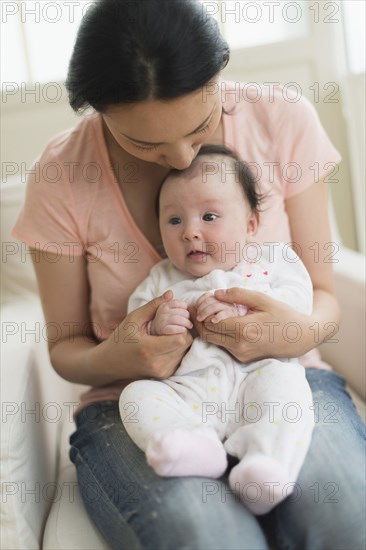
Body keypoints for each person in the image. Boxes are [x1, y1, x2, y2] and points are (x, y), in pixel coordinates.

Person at [12, 0, 365, 548]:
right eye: (144, 143)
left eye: (200, 126)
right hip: (144, 400)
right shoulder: (61, 177)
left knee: (343, 514)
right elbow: (66, 348)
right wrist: (122, 356)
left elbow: (322, 290)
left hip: (280, 376)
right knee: (207, 534)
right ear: (98, 111)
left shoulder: (281, 119)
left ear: (221, 69)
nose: (179, 159)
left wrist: (293, 333)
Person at [120, 144, 315, 516]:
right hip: (187, 392)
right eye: (174, 220)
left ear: (251, 224)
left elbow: (298, 307)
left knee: (289, 389)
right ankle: (192, 445)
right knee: (136, 394)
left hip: (258, 378)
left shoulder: (273, 262)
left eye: (209, 216)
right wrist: (161, 325)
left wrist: (243, 307)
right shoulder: (161, 279)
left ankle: (266, 465)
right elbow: (135, 331)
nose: (191, 232)